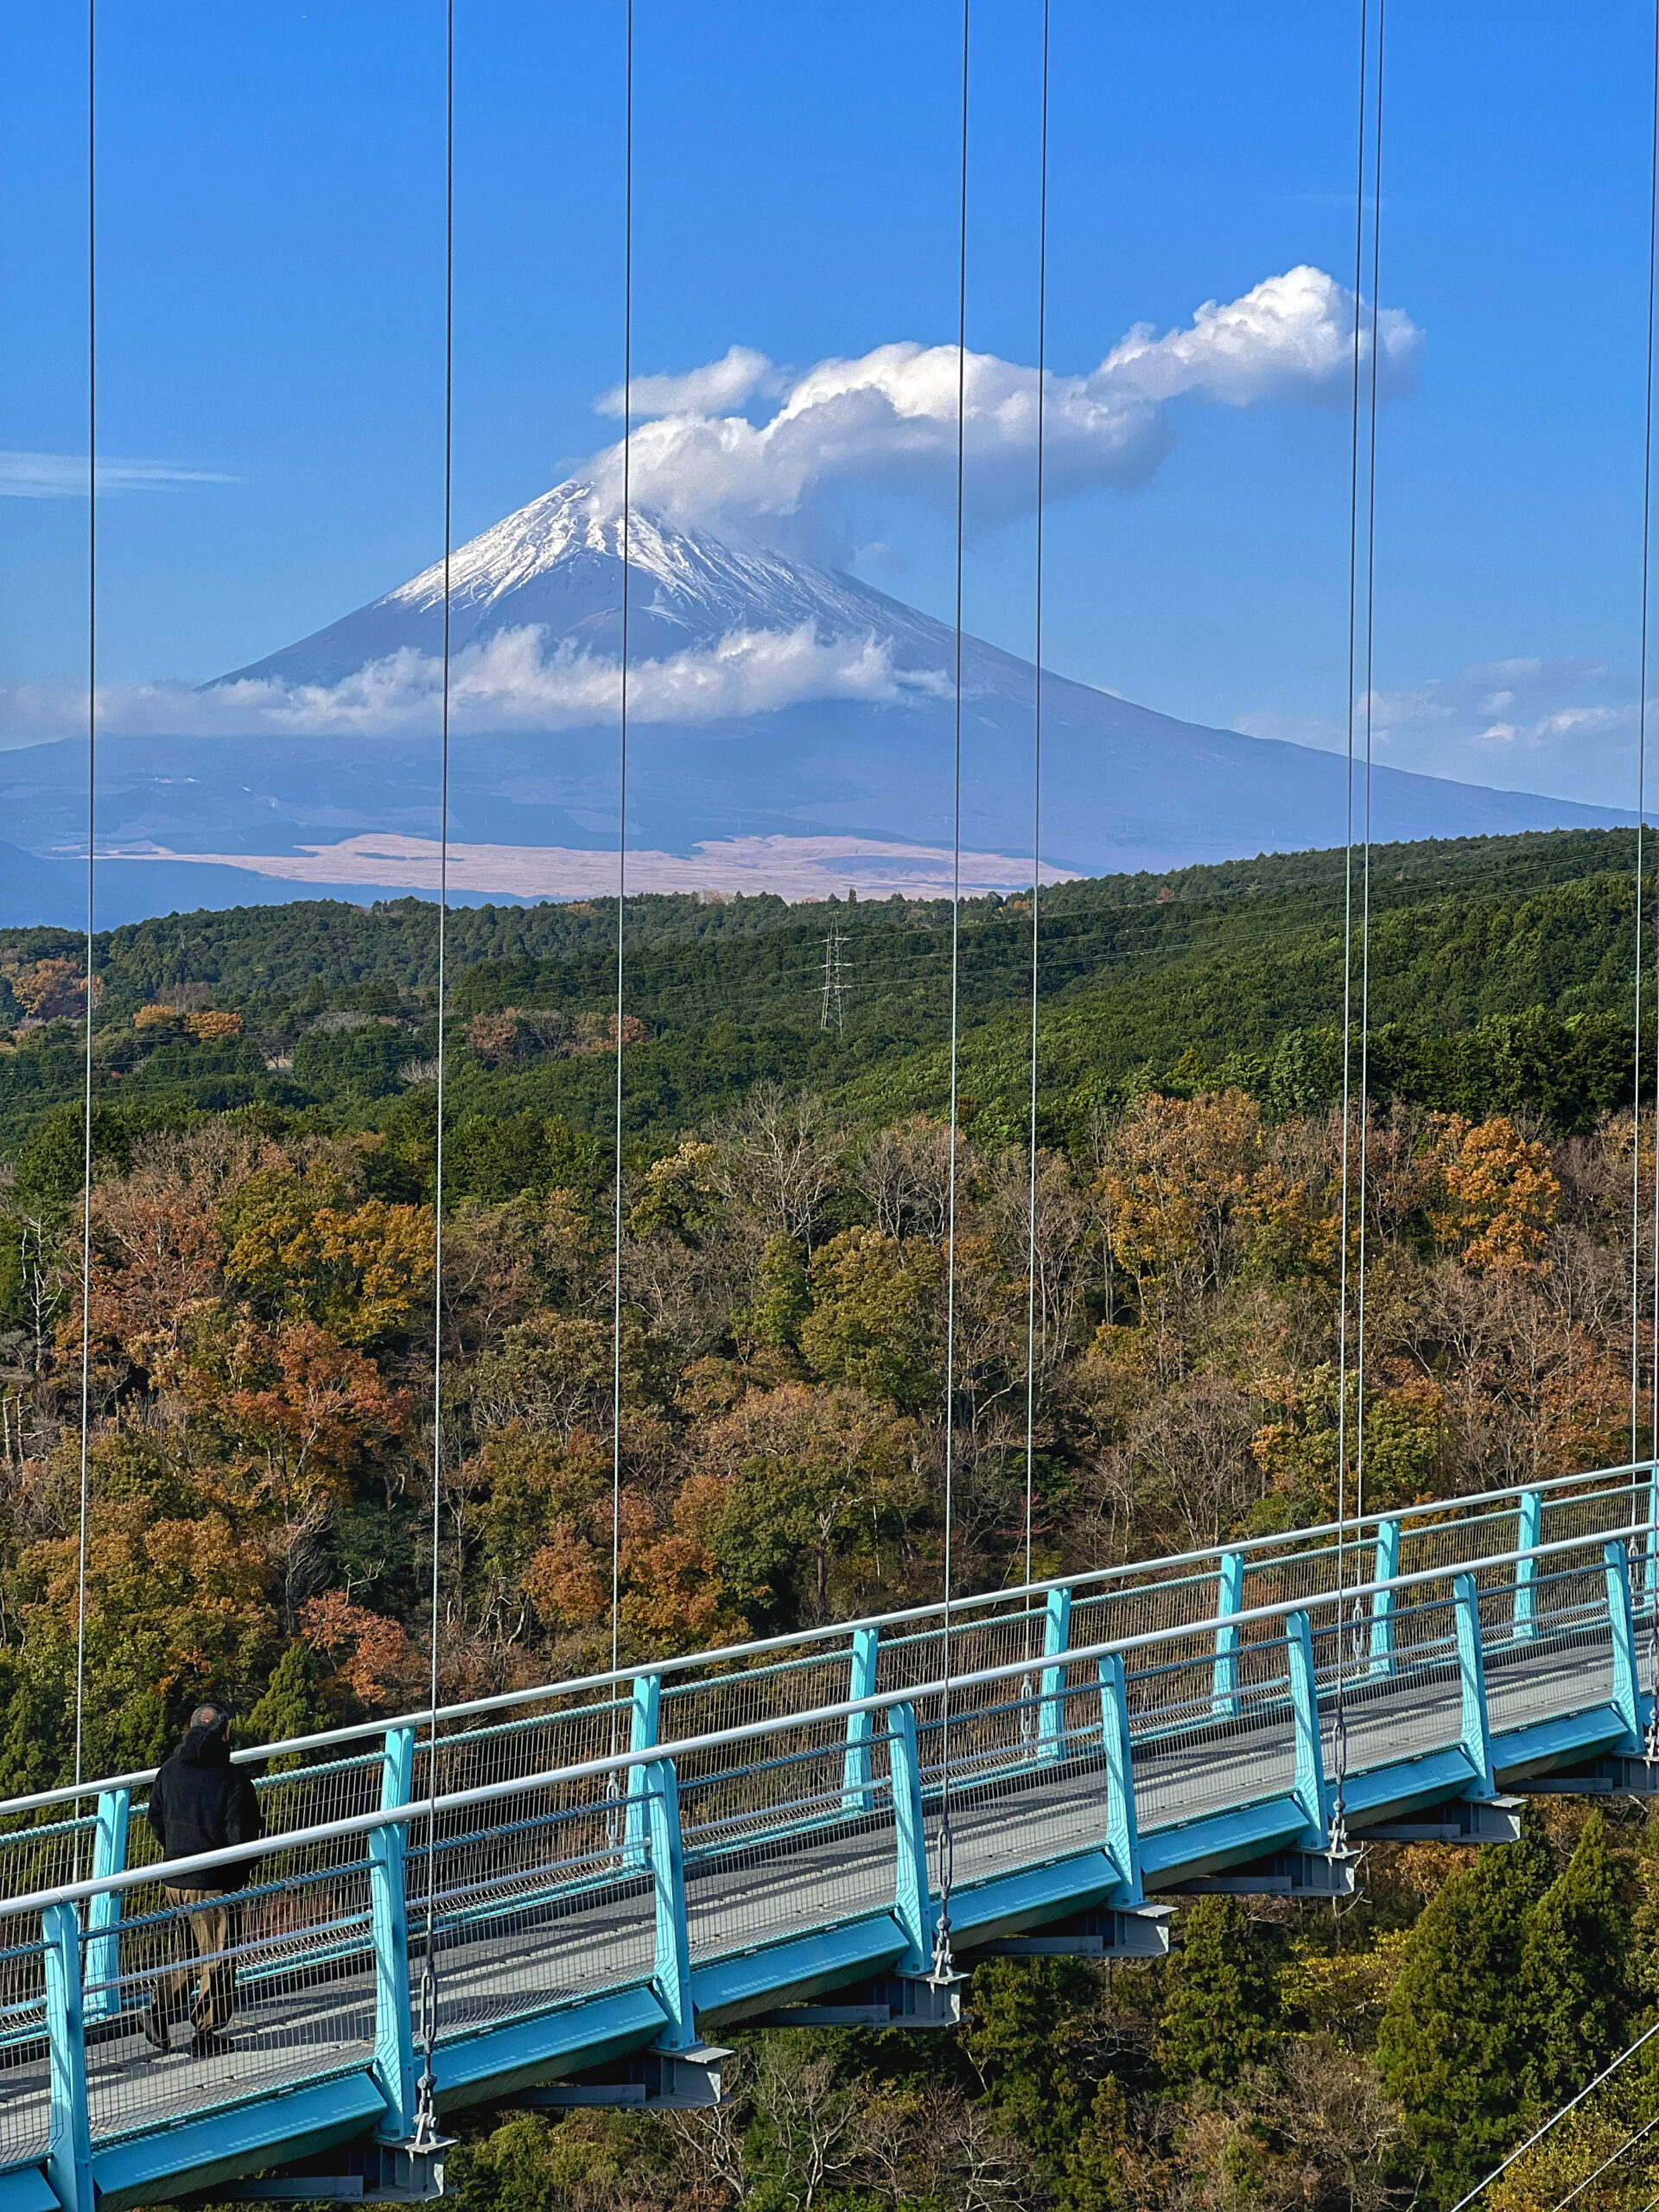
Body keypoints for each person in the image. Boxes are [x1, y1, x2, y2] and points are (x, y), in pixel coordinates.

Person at [143, 1701, 263, 2056]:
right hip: (214, 1883)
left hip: (174, 1878)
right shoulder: (233, 1778)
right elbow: (242, 1837)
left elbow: (156, 1819)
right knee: (219, 1959)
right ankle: (206, 2031)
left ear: (191, 1727)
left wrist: (175, 1854)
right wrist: (239, 1875)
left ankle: (159, 2009)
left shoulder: (169, 1770)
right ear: (225, 1734)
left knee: (188, 1953)